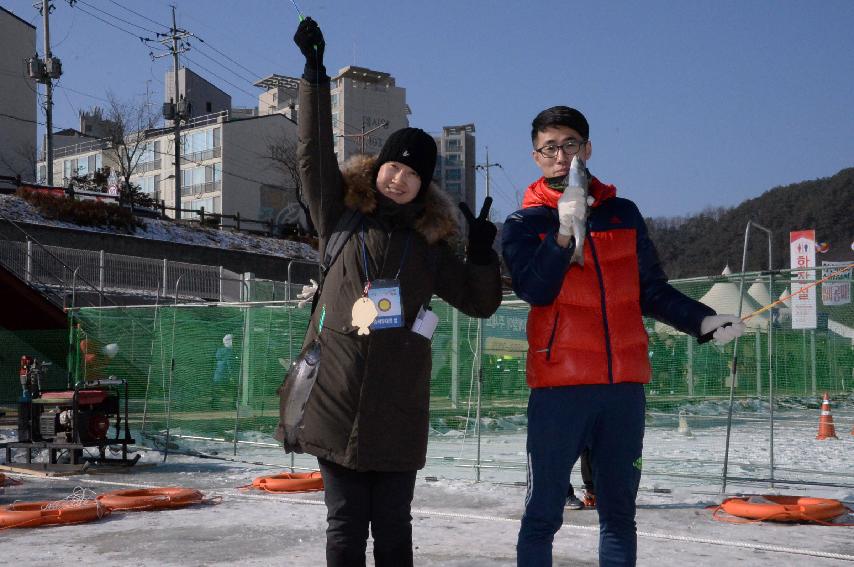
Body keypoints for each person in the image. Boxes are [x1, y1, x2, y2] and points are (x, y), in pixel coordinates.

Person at [279, 17, 502, 567]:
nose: (398, 177)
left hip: (398, 413)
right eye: (393, 165)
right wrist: (313, 77)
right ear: (379, 166)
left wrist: (479, 254)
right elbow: (312, 152)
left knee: (395, 534)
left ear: (424, 185)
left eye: (412, 173)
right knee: (344, 529)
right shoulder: (341, 215)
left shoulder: (431, 247)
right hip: (334, 401)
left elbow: (479, 302)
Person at [501, 106, 745, 566]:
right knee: (542, 514)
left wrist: (703, 320)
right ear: (535, 157)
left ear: (587, 150)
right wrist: (562, 233)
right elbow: (535, 290)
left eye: (569, 144)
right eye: (549, 148)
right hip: (559, 388)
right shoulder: (521, 223)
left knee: (619, 514)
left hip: (623, 389)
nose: (560, 155)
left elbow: (649, 289)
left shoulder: (622, 213)